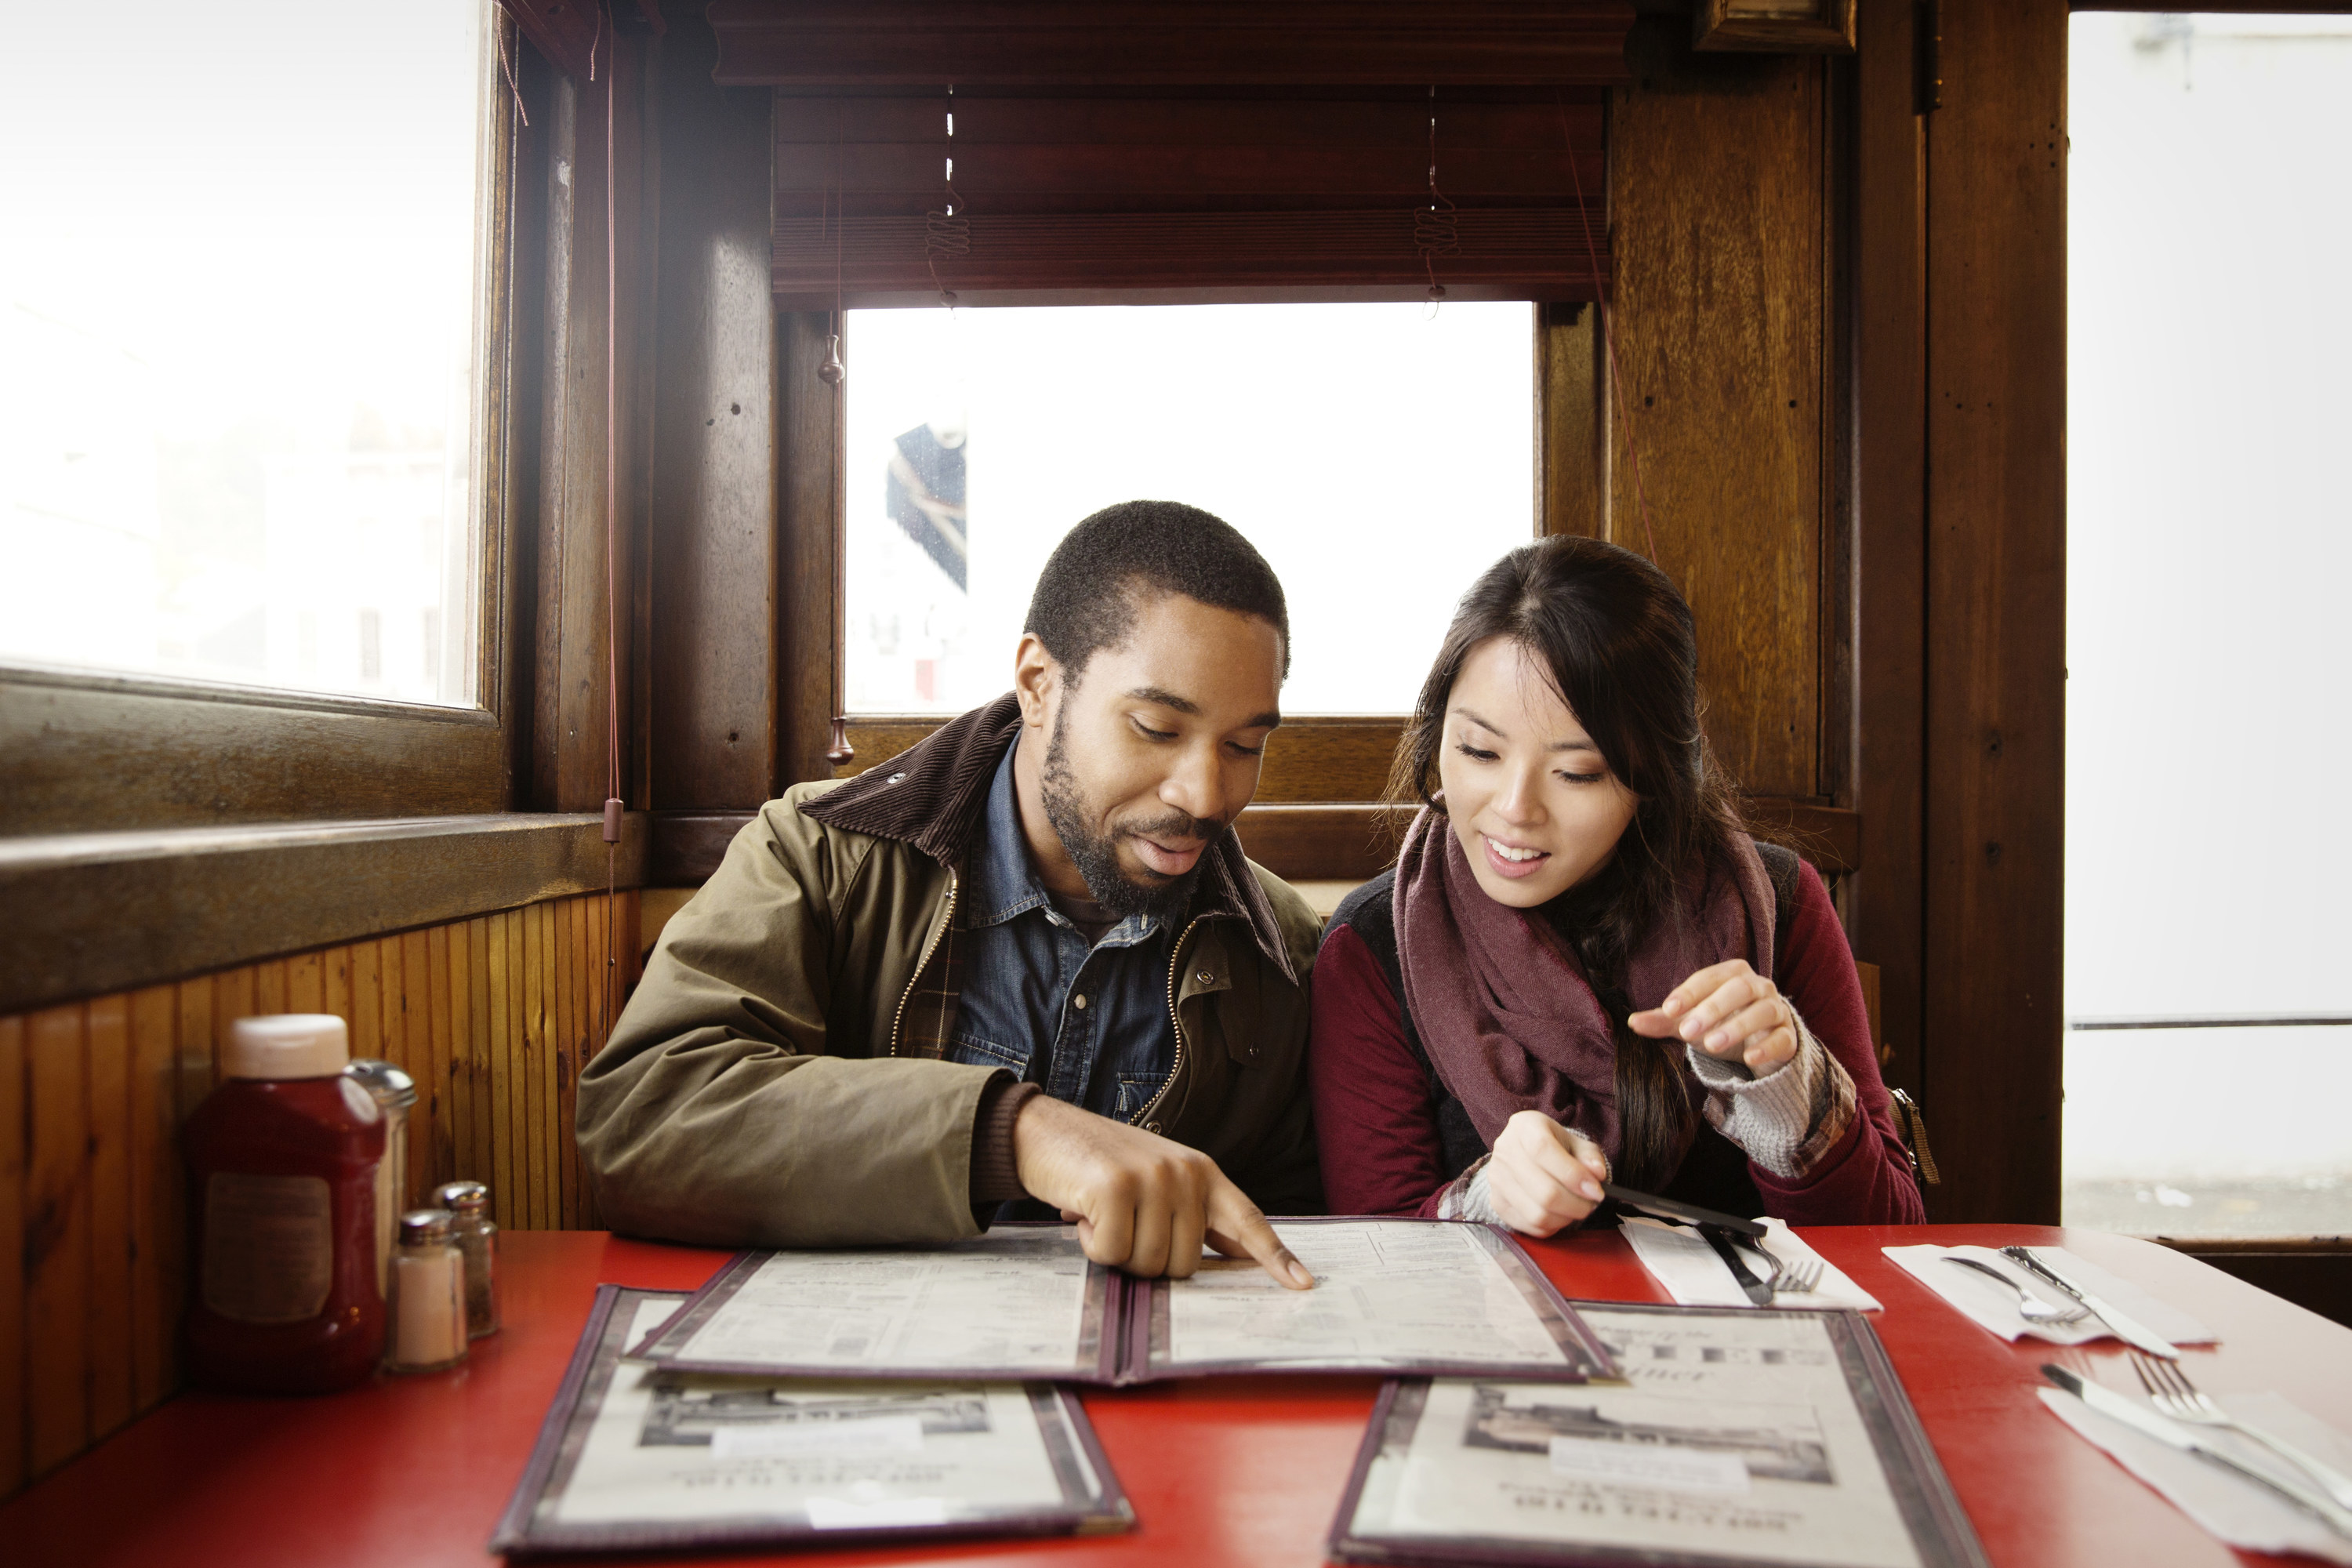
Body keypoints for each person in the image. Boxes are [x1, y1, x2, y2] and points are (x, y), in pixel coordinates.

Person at [580, 500, 1321, 1287]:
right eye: (1155, 727)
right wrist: (1014, 1133)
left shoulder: (1281, 945)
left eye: (1245, 745)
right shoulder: (822, 853)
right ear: (1039, 684)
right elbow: (641, 1118)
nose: (1205, 792)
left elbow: (1297, 1236)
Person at [1311, 535, 1923, 1233]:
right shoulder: (1374, 943)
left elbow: (1891, 1237)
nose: (1515, 808)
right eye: (1479, 751)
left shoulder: (1779, 904)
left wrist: (1788, 1086)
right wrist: (1486, 1202)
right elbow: (1373, 1260)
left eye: (1578, 773)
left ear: (1656, 775)